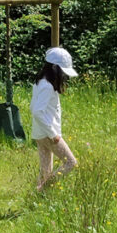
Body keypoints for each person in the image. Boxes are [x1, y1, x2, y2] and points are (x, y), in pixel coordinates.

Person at [30, 46, 78, 191]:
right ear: (55, 68)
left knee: (45, 170)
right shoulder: (47, 86)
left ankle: (39, 195)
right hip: (48, 134)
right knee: (71, 162)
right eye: (62, 71)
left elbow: (33, 107)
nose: (64, 75)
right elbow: (37, 111)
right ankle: (45, 189)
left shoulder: (40, 82)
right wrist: (53, 134)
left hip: (40, 133)